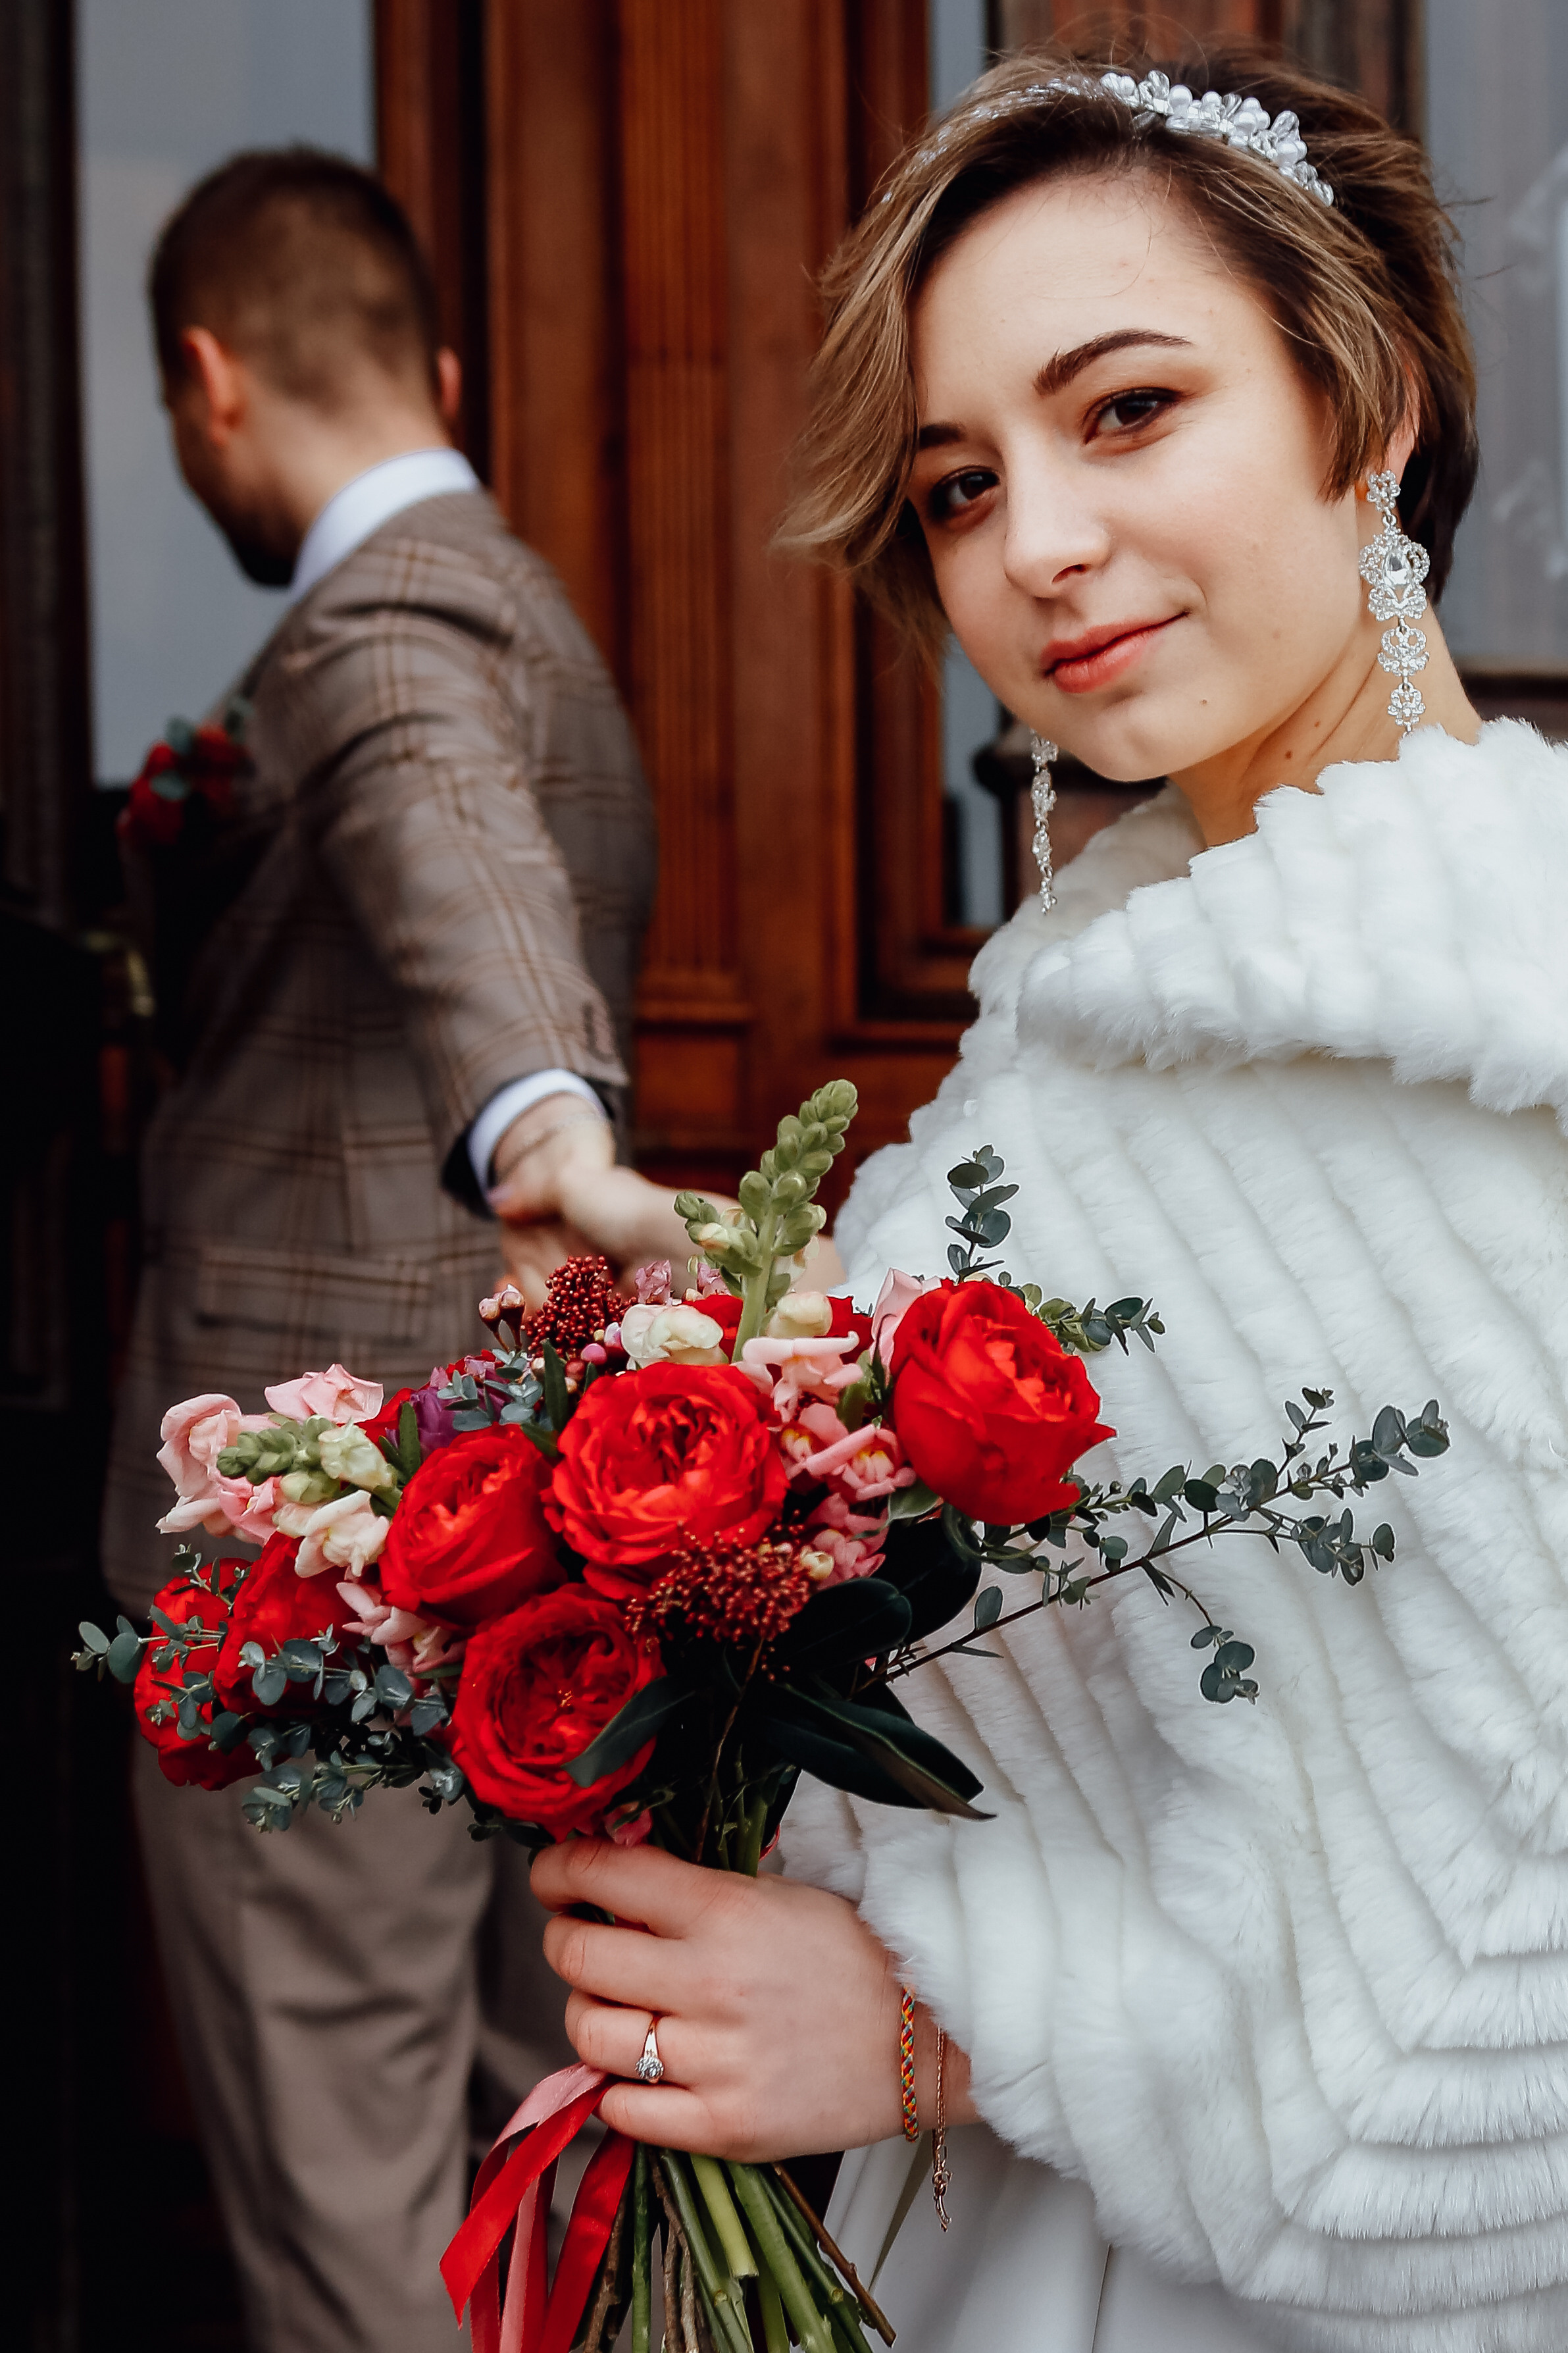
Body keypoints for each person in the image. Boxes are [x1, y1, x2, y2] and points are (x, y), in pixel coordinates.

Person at [522, 40, 1568, 2352]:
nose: (1038, 548)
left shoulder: (1505, 1020)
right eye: (961, 486)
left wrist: (951, 2036)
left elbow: (1521, 1955)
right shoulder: (1090, 1022)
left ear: (1372, 402)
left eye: (1128, 411)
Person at [101, 149, 655, 2353]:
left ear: (208, 381)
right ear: (441, 371)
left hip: (318, 1539)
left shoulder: (379, 631)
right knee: (535, 2132)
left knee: (348, 2164)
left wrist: (542, 1124)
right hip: (517, 1507)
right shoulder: (544, 619)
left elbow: (450, 852)